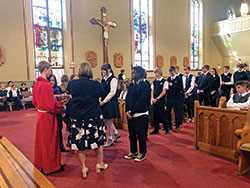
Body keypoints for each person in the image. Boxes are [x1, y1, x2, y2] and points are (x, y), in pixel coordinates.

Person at [67, 62, 108, 178]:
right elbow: (102, 94)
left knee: (80, 144)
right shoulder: (96, 84)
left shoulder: (72, 84)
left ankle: (83, 167)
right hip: (93, 117)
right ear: (90, 71)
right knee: (98, 142)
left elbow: (68, 94)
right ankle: (99, 164)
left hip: (77, 118)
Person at [32, 61, 65, 175]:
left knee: (42, 142)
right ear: (45, 69)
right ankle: (51, 166)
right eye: (50, 69)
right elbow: (50, 105)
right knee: (50, 142)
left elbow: (35, 101)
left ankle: (42, 164)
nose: (50, 71)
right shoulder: (46, 84)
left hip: (41, 115)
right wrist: (61, 105)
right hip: (48, 117)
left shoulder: (36, 83)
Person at [124, 66, 151, 162]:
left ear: (140, 73)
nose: (133, 74)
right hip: (131, 113)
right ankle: (133, 151)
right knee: (131, 134)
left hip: (140, 113)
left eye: (134, 73)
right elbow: (127, 98)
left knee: (141, 134)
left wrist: (132, 111)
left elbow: (142, 100)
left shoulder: (145, 84)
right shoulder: (132, 84)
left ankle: (142, 153)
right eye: (132, 73)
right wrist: (127, 110)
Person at [100, 64, 121, 147]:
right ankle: (115, 133)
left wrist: (104, 101)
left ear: (109, 70)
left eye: (104, 70)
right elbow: (101, 91)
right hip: (104, 102)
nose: (103, 72)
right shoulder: (103, 79)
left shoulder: (113, 79)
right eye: (102, 70)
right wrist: (100, 99)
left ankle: (111, 137)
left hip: (110, 102)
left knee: (108, 120)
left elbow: (112, 92)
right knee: (106, 120)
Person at [47, 74, 69, 153]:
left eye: (53, 80)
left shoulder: (58, 88)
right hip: (50, 112)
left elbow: (62, 97)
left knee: (59, 129)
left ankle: (61, 146)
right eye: (50, 80)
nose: (51, 82)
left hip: (58, 111)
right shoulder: (46, 89)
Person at [150, 68, 169, 135]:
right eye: (155, 73)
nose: (155, 74)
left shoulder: (164, 81)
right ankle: (156, 129)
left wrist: (157, 99)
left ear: (160, 73)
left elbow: (163, 92)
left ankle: (166, 129)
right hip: (154, 101)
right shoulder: (154, 82)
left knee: (162, 115)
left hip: (161, 101)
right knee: (155, 116)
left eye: (157, 72)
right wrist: (152, 98)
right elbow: (152, 90)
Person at [165, 66, 184, 133]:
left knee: (177, 112)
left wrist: (172, 85)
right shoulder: (168, 78)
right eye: (170, 72)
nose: (171, 73)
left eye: (172, 72)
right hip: (169, 98)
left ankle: (177, 125)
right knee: (168, 112)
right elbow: (166, 88)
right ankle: (169, 125)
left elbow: (181, 88)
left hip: (177, 98)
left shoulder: (178, 78)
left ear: (175, 71)